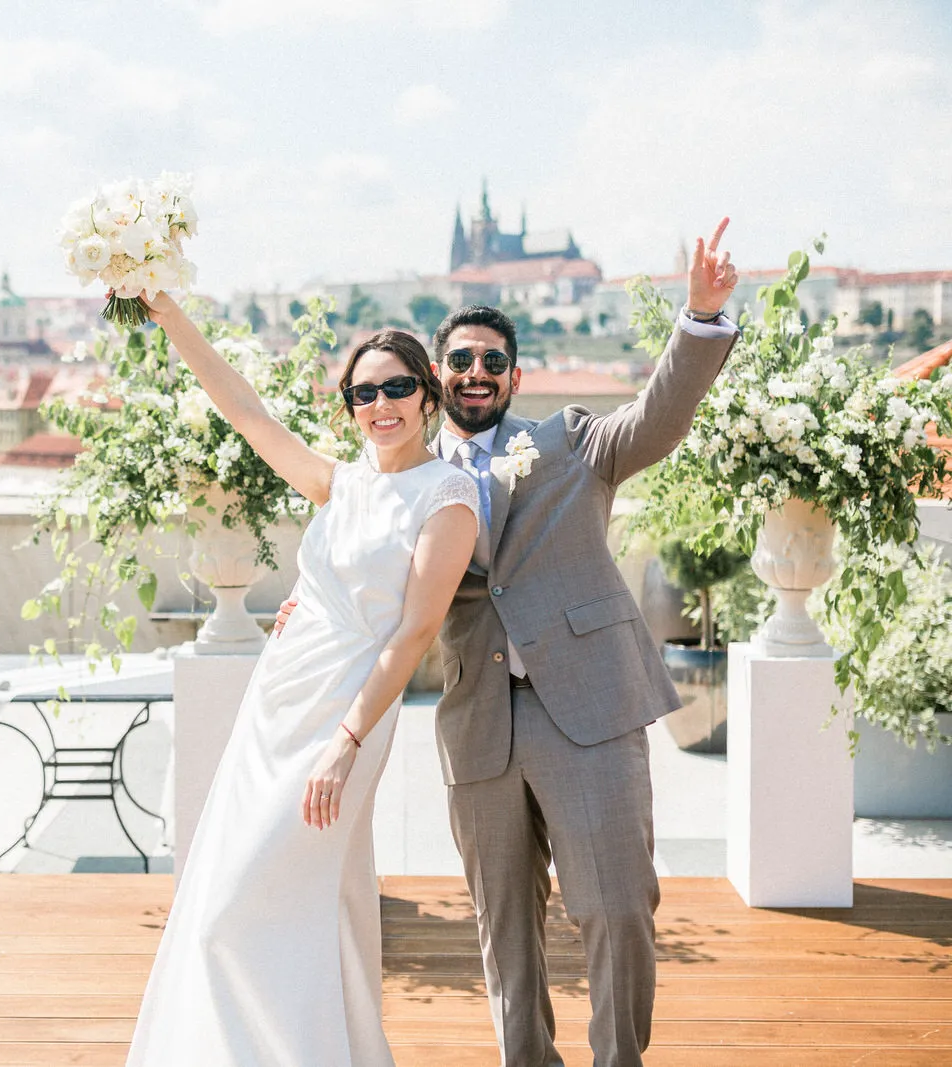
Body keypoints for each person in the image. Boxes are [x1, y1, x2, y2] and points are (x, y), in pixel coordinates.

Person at [274, 219, 740, 1066]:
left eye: (493, 360)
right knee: (503, 926)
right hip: (478, 719)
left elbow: (659, 417)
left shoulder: (570, 442)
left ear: (514, 376)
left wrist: (700, 317)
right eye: (461, 359)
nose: (477, 370)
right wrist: (305, 604)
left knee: (618, 906)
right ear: (435, 376)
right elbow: (361, 560)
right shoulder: (406, 477)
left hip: (590, 711)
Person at [124, 291, 481, 1066]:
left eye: (396, 387)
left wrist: (347, 740)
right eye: (363, 392)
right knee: (309, 899)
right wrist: (171, 315)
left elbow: (415, 631)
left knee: (239, 903)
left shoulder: (448, 497)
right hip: (277, 703)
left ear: (427, 393)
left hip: (344, 714)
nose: (380, 404)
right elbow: (246, 412)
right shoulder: (342, 482)